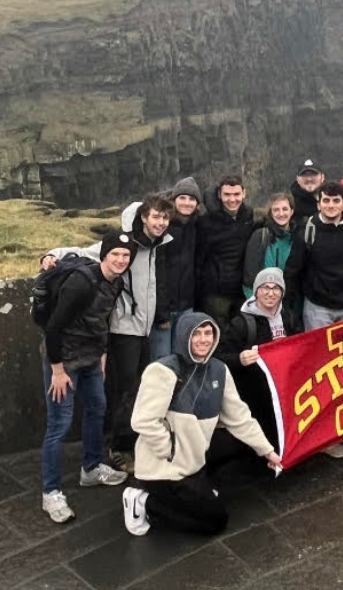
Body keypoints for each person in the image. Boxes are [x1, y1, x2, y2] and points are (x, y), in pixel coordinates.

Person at [41, 194, 175, 473]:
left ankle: (130, 442)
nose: (161, 222)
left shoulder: (156, 246)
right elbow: (87, 251)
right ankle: (120, 448)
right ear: (143, 218)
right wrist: (53, 254)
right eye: (156, 217)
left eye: (165, 217)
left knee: (139, 387)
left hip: (143, 328)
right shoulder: (126, 244)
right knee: (124, 391)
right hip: (123, 329)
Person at [122, 312, 281, 536]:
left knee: (240, 444)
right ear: (184, 336)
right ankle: (144, 501)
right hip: (164, 467)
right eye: (196, 333)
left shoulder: (219, 369)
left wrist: (267, 452)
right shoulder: (163, 370)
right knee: (215, 522)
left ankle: (199, 483)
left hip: (192, 457)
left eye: (208, 333)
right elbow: (143, 420)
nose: (204, 339)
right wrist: (169, 450)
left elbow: (240, 417)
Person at [40, 232, 134, 523]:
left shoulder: (116, 282)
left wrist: (102, 355)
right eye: (115, 254)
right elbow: (53, 328)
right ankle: (50, 492)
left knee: (97, 408)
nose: (120, 260)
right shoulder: (81, 283)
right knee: (60, 424)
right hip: (64, 361)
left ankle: (91, 469)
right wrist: (57, 370)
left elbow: (101, 320)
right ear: (103, 254)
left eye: (126, 256)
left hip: (92, 359)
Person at [216, 268, 302, 451]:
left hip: (284, 392)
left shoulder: (289, 316)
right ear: (256, 291)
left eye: (276, 288)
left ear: (282, 293)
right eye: (265, 288)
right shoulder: (241, 323)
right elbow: (219, 357)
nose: (270, 293)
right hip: (255, 396)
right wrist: (239, 359)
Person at [285, 181, 343, 331]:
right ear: (319, 205)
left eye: (336, 201)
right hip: (318, 307)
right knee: (318, 352)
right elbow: (293, 270)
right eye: (326, 200)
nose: (331, 205)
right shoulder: (308, 231)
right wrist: (287, 304)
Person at [196, 174, 259, 328]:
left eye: (236, 194)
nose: (232, 199)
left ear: (244, 193)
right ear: (219, 195)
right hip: (216, 294)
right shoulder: (206, 222)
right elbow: (198, 259)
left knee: (244, 334)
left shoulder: (249, 216)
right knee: (219, 336)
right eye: (227, 195)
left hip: (242, 291)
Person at [154, 176, 202, 360]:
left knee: (184, 357)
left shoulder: (196, 227)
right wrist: (161, 312)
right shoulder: (162, 228)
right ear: (174, 200)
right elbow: (158, 272)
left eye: (192, 199)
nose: (187, 203)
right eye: (182, 197)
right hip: (164, 308)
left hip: (187, 306)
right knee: (162, 360)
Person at [242, 193, 295, 300]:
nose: (281, 213)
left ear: (292, 211)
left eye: (285, 209)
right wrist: (255, 303)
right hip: (264, 302)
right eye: (276, 210)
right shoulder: (260, 236)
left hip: (290, 303)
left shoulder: (297, 238)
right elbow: (249, 277)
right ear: (270, 213)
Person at [290, 159, 325, 224]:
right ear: (297, 179)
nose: (309, 179)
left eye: (313, 174)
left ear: (322, 177)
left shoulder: (333, 200)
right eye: (304, 175)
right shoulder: (290, 203)